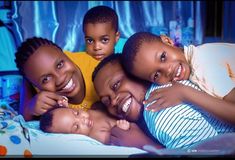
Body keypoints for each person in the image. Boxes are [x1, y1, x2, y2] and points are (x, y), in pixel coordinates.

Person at [92, 54, 235, 149]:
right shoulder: (148, 116)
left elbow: (212, 152)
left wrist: (145, 145)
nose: (114, 101)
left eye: (116, 85)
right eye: (106, 102)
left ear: (135, 73)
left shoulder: (162, 111)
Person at [121, 32, 235, 125]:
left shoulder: (202, 66)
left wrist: (185, 93)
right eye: (156, 75)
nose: (168, 70)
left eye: (163, 57)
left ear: (168, 41)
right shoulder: (195, 53)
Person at [14, 37, 100, 121]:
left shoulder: (97, 68)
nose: (60, 79)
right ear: (36, 87)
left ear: (65, 54)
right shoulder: (37, 89)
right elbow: (23, 119)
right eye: (46, 79)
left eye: (59, 65)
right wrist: (30, 109)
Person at [39, 101, 134, 145]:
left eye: (76, 113)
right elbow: (117, 141)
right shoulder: (98, 136)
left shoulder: (90, 111)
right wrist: (121, 129)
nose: (82, 120)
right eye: (76, 127)